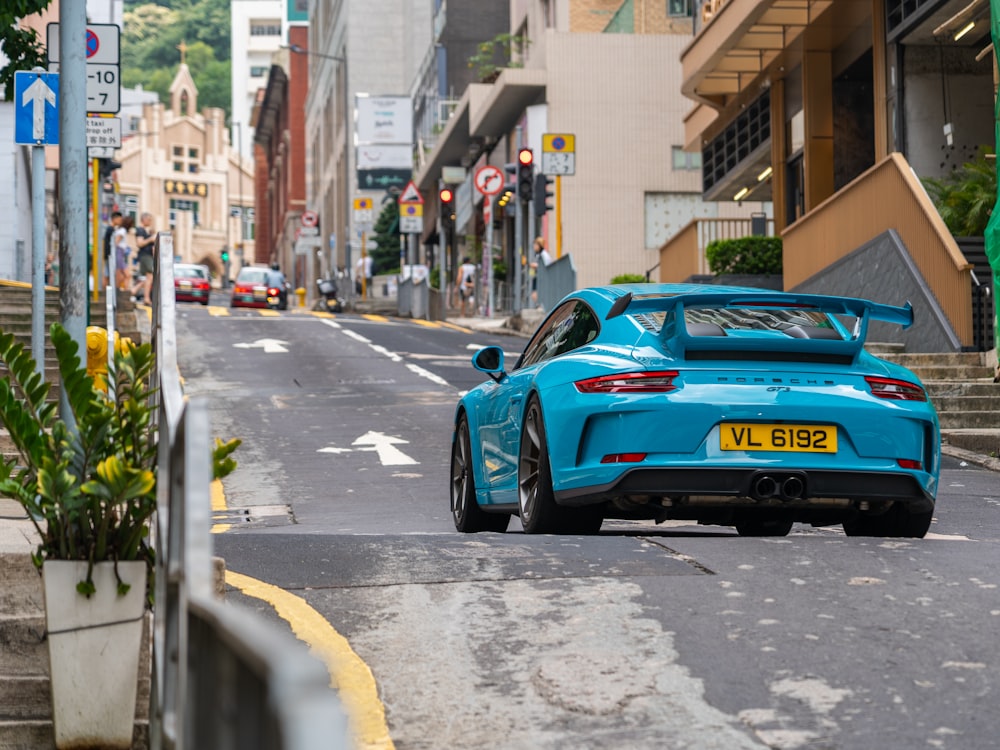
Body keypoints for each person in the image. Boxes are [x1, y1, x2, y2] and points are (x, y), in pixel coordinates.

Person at [131, 212, 157, 304]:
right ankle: (145, 297)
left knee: (149, 277)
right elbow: (140, 243)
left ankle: (136, 290)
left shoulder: (144, 230)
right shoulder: (140, 230)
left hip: (147, 256)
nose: (150, 222)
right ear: (144, 219)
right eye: (149, 220)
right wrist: (151, 239)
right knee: (150, 276)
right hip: (145, 256)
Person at [530, 237, 553, 306]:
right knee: (534, 293)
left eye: (536, 245)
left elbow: (546, 265)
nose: (534, 247)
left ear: (540, 245)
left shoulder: (544, 254)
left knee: (536, 293)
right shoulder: (538, 255)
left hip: (541, 277)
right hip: (537, 276)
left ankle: (540, 305)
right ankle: (539, 305)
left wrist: (536, 265)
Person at [113, 215, 134, 291]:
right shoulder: (123, 231)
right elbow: (116, 242)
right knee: (126, 275)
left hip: (120, 253)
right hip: (119, 252)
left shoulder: (120, 230)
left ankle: (120, 289)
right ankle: (122, 290)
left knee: (123, 274)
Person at [103, 211, 122, 287]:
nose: (120, 221)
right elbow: (114, 243)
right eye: (119, 220)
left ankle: (105, 290)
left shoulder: (110, 228)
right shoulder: (111, 229)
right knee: (108, 273)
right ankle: (105, 290)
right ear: (114, 219)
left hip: (109, 254)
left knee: (108, 273)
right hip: (109, 254)